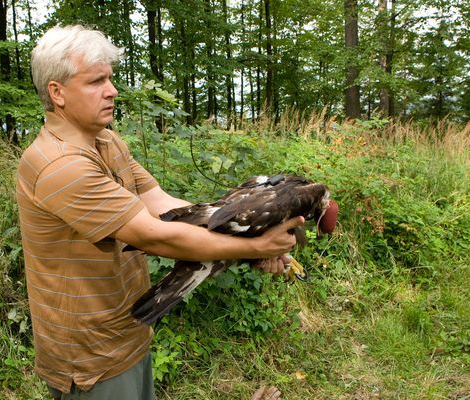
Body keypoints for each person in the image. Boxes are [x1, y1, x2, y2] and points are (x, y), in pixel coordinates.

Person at [16, 24, 303, 400]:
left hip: (127, 327)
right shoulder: (61, 166)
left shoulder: (105, 140)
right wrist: (253, 249)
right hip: (89, 355)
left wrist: (250, 233)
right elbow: (155, 235)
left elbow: (163, 205)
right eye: (96, 81)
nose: (112, 90)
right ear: (57, 93)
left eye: (111, 78)